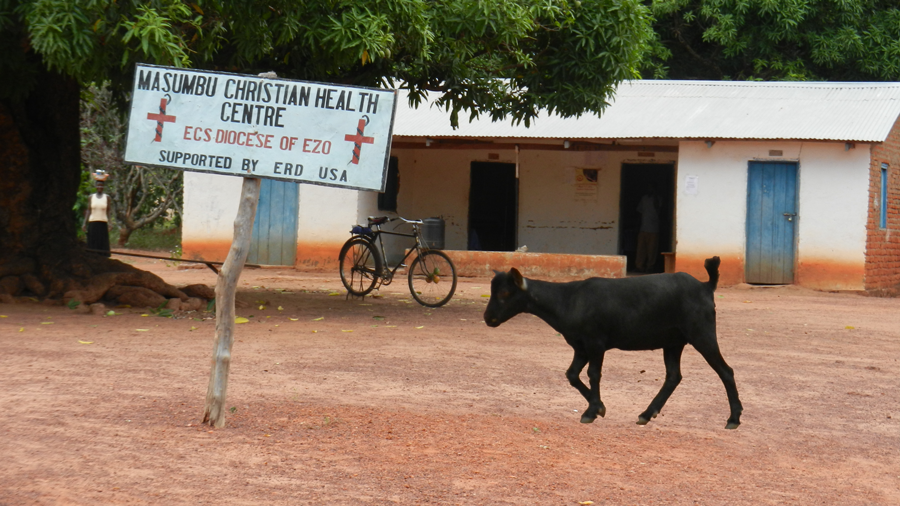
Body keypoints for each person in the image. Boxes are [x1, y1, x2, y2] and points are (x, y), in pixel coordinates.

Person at [84, 170, 111, 257]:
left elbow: (108, 211)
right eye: (98, 185)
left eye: (101, 185)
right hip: (93, 223)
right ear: (96, 186)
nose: (100, 187)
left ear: (103, 187)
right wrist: (84, 223)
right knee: (93, 242)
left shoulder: (107, 198)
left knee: (102, 243)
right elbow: (88, 210)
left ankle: (103, 259)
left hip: (103, 223)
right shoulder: (91, 197)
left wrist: (110, 223)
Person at [635, 184, 660, 273]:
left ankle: (650, 267)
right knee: (641, 249)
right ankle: (639, 266)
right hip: (643, 227)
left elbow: (659, 209)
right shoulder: (644, 198)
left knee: (652, 250)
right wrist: (638, 226)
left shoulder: (659, 199)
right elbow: (639, 212)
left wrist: (655, 197)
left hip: (654, 228)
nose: (650, 189)